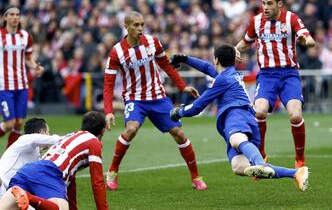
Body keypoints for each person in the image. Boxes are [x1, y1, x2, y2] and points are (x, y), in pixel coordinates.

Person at [169, 44, 309, 191]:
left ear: (216, 60)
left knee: (237, 140)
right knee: (239, 166)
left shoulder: (222, 79)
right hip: (245, 118)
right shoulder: (229, 74)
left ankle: (260, 162)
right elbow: (206, 67)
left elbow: (198, 106)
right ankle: (296, 173)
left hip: (236, 115)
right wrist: (185, 59)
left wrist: (179, 112)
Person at [104, 11, 207, 191]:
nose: (140, 28)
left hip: (158, 97)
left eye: (142, 24)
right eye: (136, 25)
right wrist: (109, 111)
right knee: (131, 130)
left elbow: (166, 65)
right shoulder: (116, 52)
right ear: (126, 27)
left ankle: (196, 176)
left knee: (180, 134)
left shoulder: (153, 42)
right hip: (135, 99)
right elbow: (109, 82)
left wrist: (182, 86)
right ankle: (112, 171)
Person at [235, 0, 316, 168]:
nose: (265, 7)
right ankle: (261, 153)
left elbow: (308, 38)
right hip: (267, 75)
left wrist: (306, 41)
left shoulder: (291, 19)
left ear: (279, 4)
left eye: (269, 3)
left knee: (295, 116)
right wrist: (234, 49)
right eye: (263, 3)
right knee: (259, 112)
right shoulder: (256, 21)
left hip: (289, 74)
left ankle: (300, 158)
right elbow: (245, 42)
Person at [0, 111, 108, 210]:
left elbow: (71, 180)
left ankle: (26, 196)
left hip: (24, 174)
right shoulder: (93, 142)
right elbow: (97, 182)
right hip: (50, 171)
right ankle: (28, 196)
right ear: (103, 130)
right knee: (61, 208)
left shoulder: (70, 139)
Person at [0, 6, 44, 148]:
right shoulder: (0, 35)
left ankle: (9, 155)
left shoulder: (25, 36)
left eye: (17, 14)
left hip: (22, 85)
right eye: (11, 14)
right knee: (9, 124)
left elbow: (28, 58)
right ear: (5, 17)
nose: (14, 17)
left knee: (19, 123)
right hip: (4, 86)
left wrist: (35, 67)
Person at [0, 118, 59, 198]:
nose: (49, 135)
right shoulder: (26, 139)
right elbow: (55, 140)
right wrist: (70, 138)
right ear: (42, 132)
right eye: (48, 132)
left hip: (10, 193)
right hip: (3, 188)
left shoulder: (35, 153)